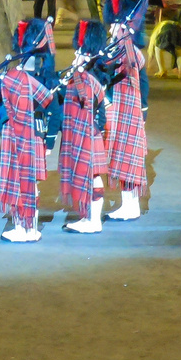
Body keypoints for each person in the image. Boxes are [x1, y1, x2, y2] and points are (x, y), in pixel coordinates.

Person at [0, 19, 57, 243]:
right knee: (20, 181)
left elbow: (52, 107)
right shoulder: (11, 73)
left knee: (26, 182)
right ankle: (25, 226)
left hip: (30, 131)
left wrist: (50, 139)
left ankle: (28, 227)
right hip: (17, 132)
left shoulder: (34, 76)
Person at [59, 20, 111, 233]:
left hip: (87, 133)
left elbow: (87, 101)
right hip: (81, 133)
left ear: (87, 55)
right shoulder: (82, 75)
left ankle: (94, 221)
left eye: (78, 52)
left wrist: (76, 75)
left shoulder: (88, 78)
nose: (74, 56)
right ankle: (87, 216)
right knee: (85, 175)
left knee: (92, 176)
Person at [103, 0, 149, 220]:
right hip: (119, 105)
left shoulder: (126, 44)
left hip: (126, 105)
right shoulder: (121, 40)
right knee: (120, 156)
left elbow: (137, 72)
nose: (111, 27)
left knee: (127, 155)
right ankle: (127, 204)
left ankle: (132, 206)